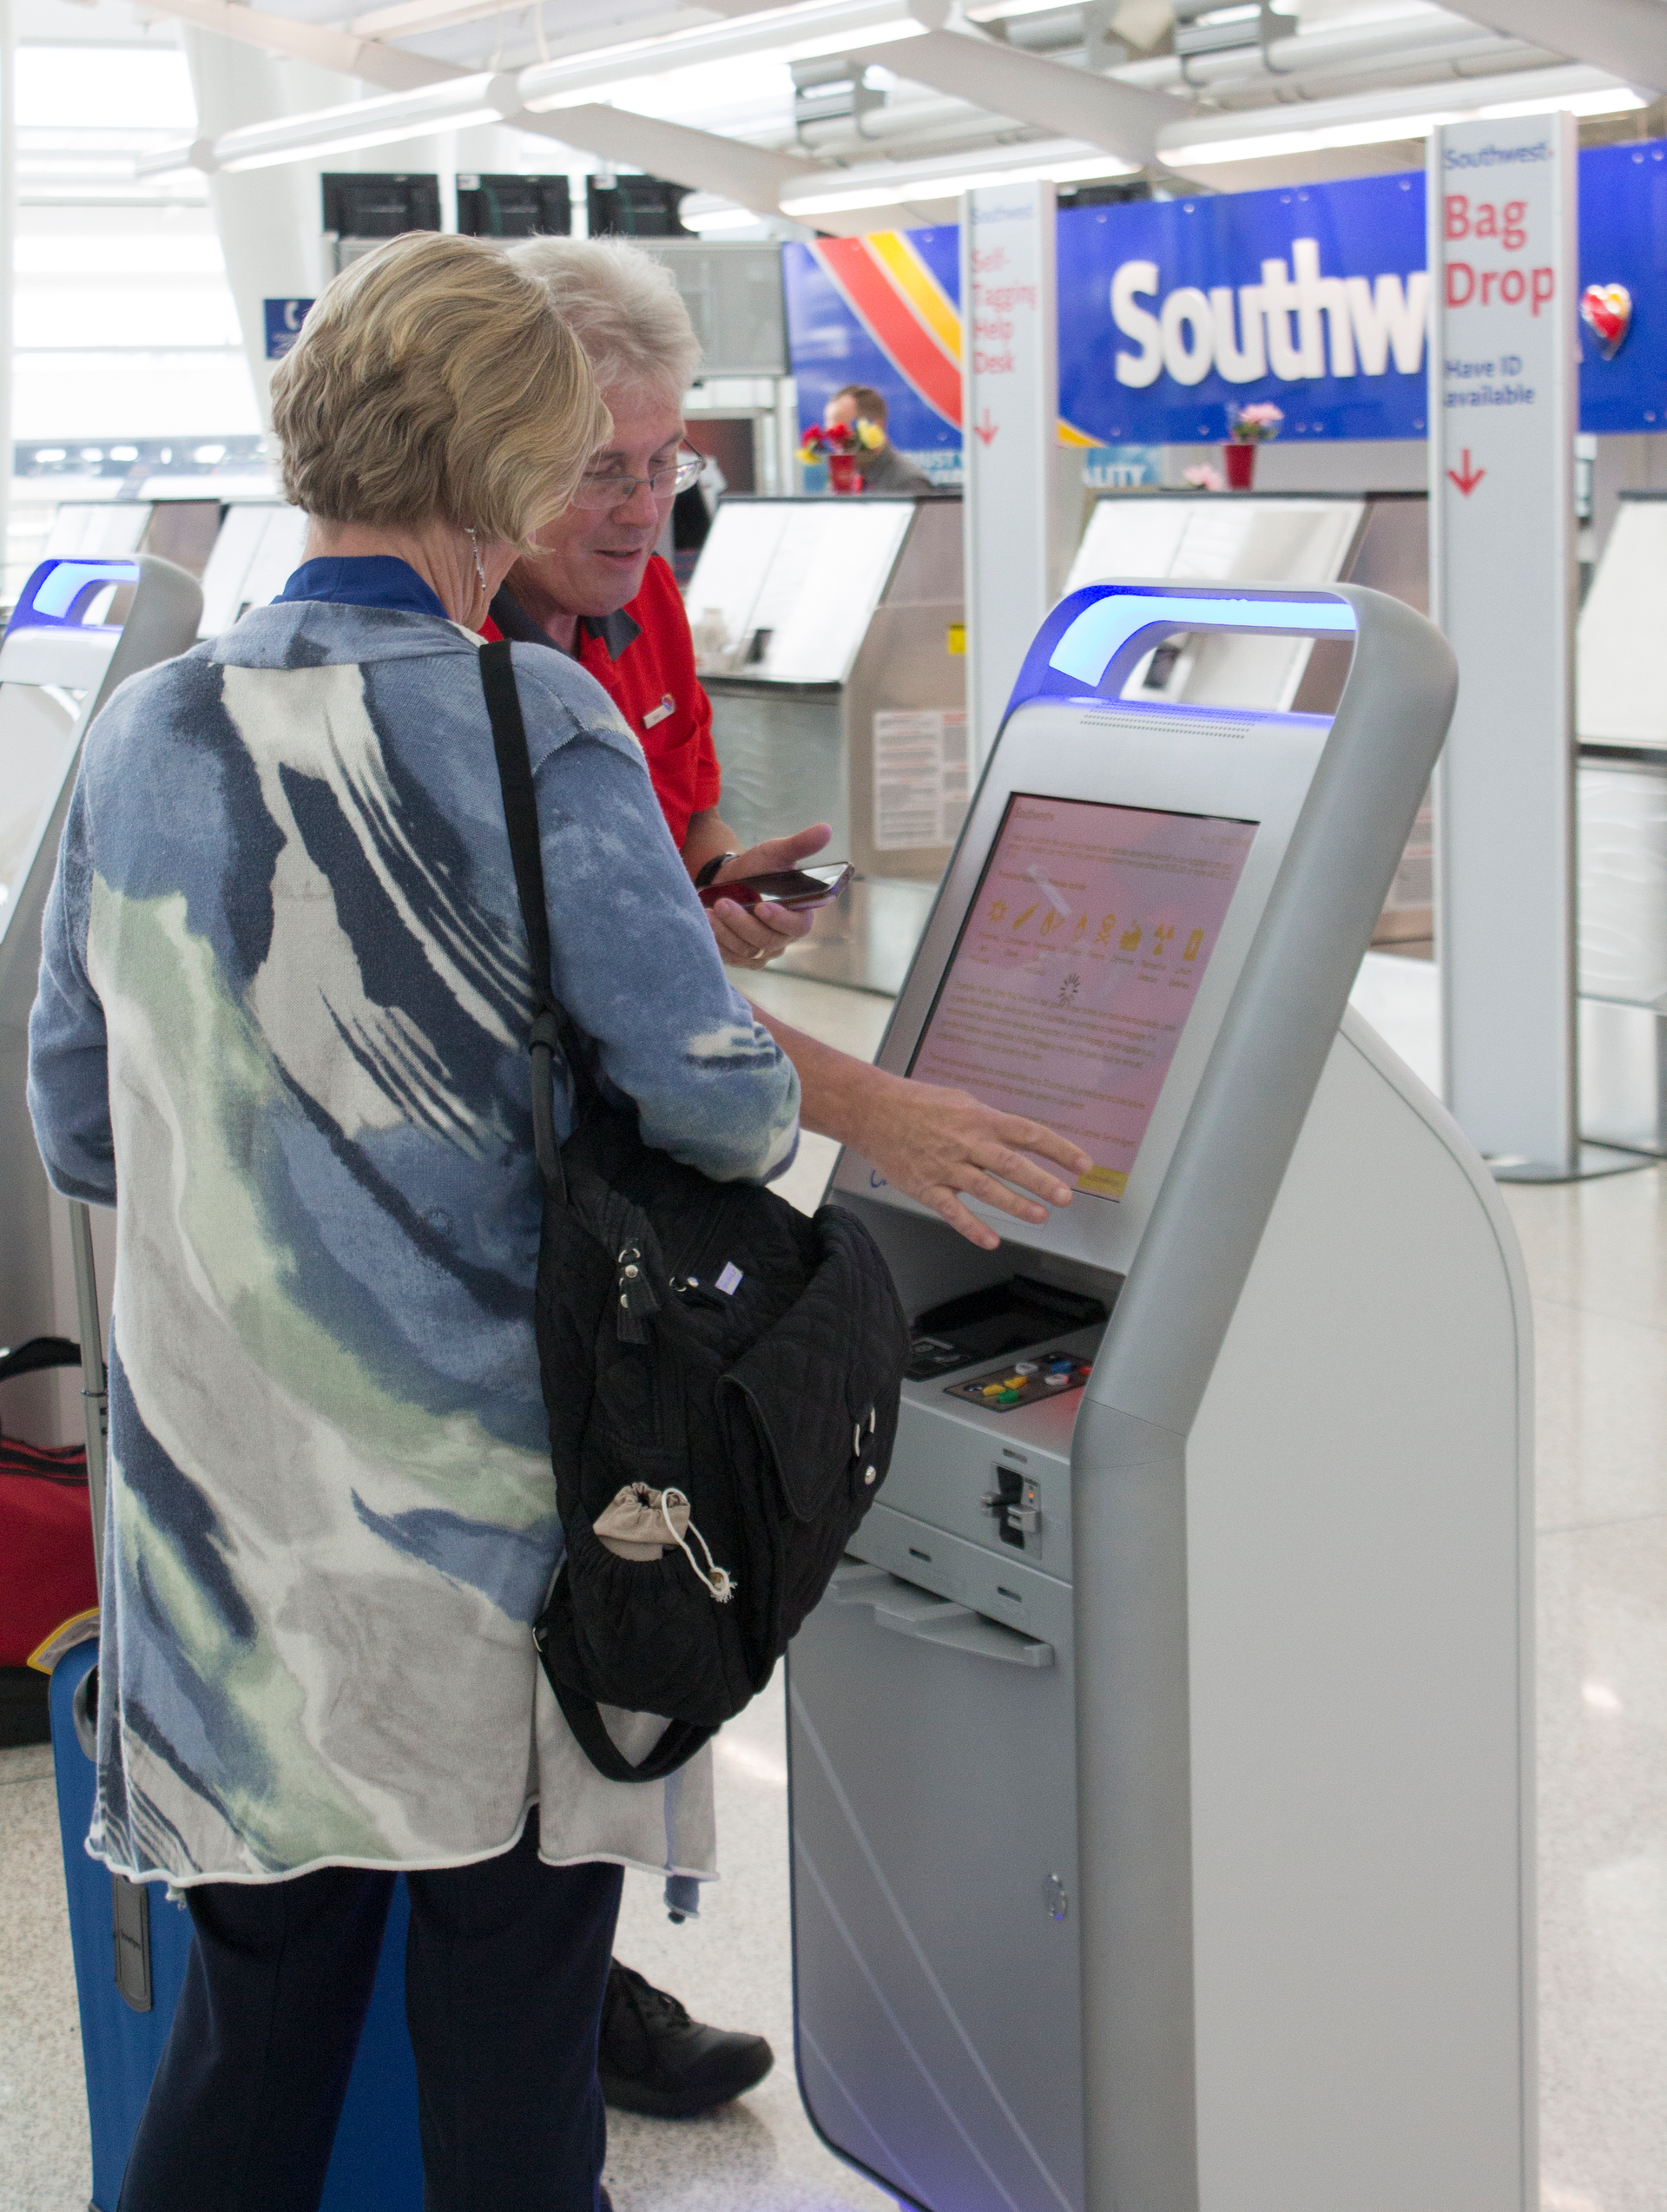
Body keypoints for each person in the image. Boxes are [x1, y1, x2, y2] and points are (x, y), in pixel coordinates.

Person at [28, 230, 802, 2212]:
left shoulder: (143, 734)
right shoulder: (538, 726)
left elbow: (76, 1118)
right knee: (508, 2072)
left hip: (224, 1554)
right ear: (504, 465)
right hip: (492, 1562)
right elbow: (714, 1099)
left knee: (251, 2055)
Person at [482, 235, 1094, 2124]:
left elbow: (652, 892)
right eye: (597, 463)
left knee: (623, 1575)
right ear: (489, 445)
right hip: (528, 1207)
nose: (638, 503)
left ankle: (567, 1969)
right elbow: (586, 1006)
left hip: (646, 1197)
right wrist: (882, 1114)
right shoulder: (459, 671)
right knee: (539, 1606)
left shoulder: (638, 609)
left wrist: (719, 887)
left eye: (666, 459)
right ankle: (536, 1999)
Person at [825, 382, 934, 495]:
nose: (835, 444)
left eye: (842, 434)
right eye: (830, 434)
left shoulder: (907, 483)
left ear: (876, 427)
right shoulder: (845, 481)